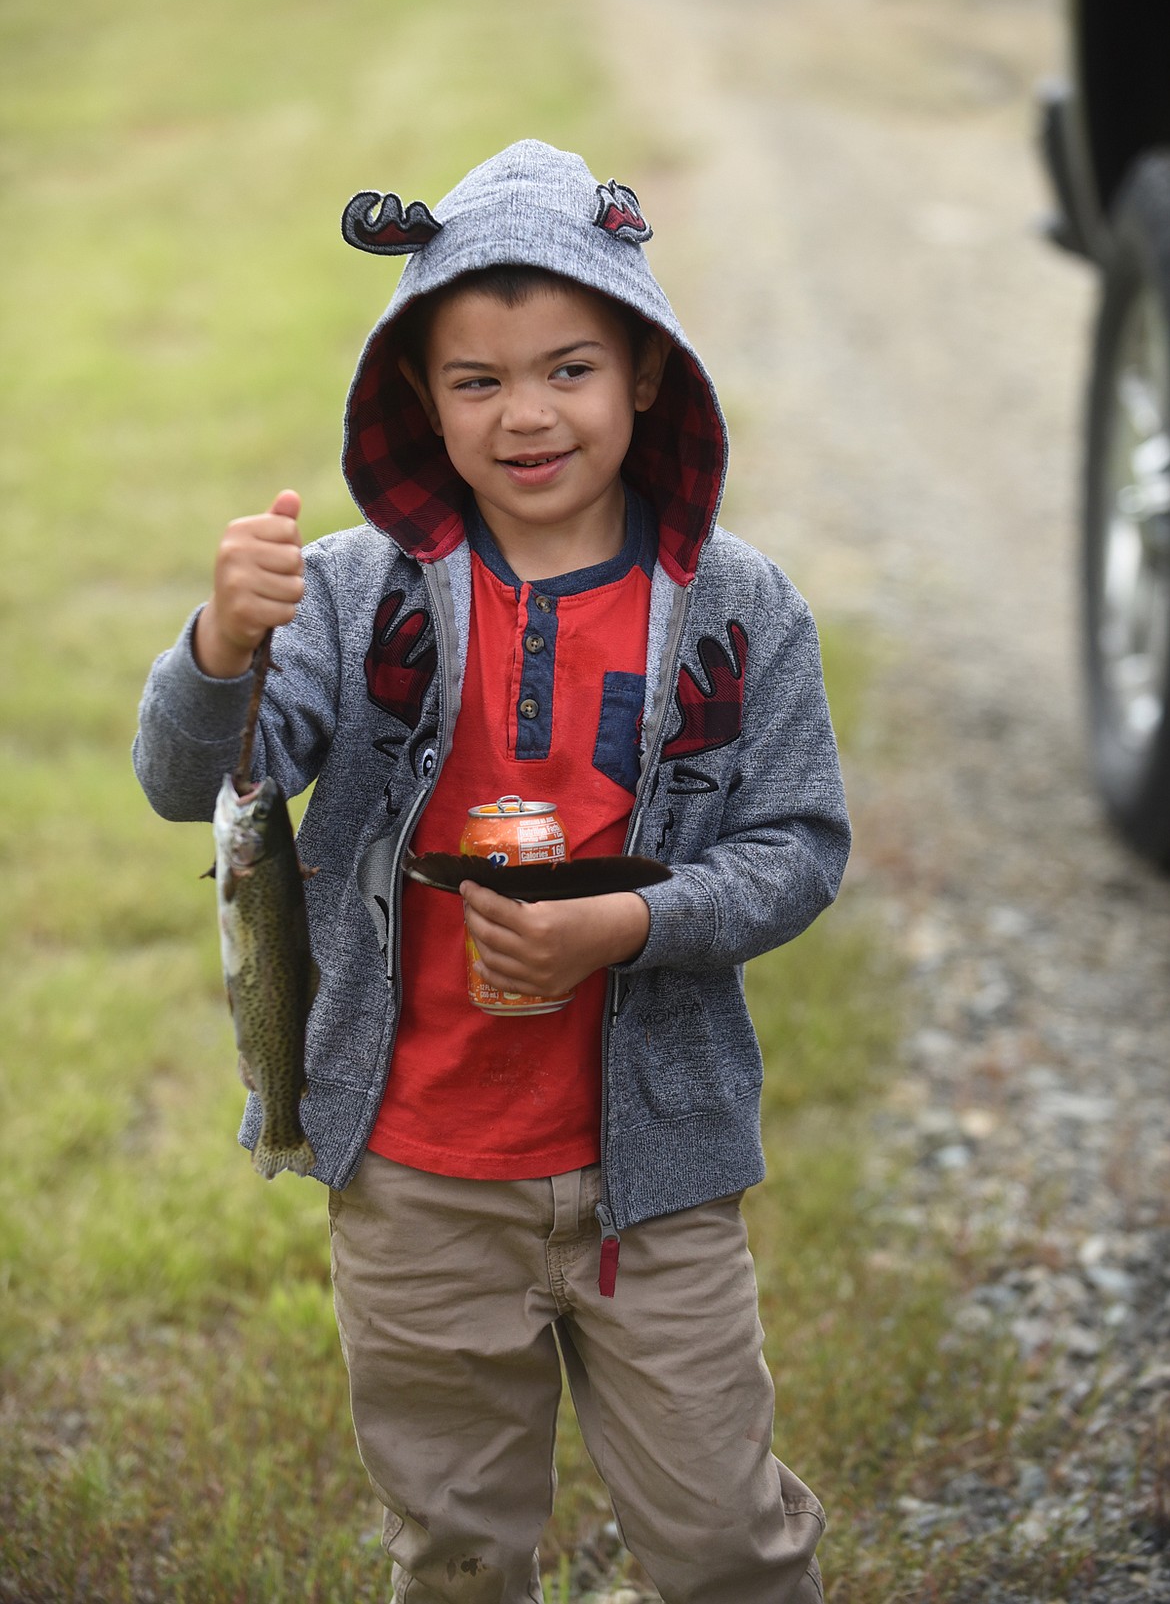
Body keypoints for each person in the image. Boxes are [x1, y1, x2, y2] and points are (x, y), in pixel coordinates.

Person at [134, 139, 850, 1604]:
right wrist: (217, 650)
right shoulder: (347, 591)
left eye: (569, 367)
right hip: (414, 1176)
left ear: (647, 372)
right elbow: (185, 781)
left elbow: (797, 847)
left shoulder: (738, 604)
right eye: (476, 379)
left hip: (654, 1183)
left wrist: (631, 921)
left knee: (724, 1539)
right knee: (456, 1548)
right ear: (418, 398)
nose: (526, 413)